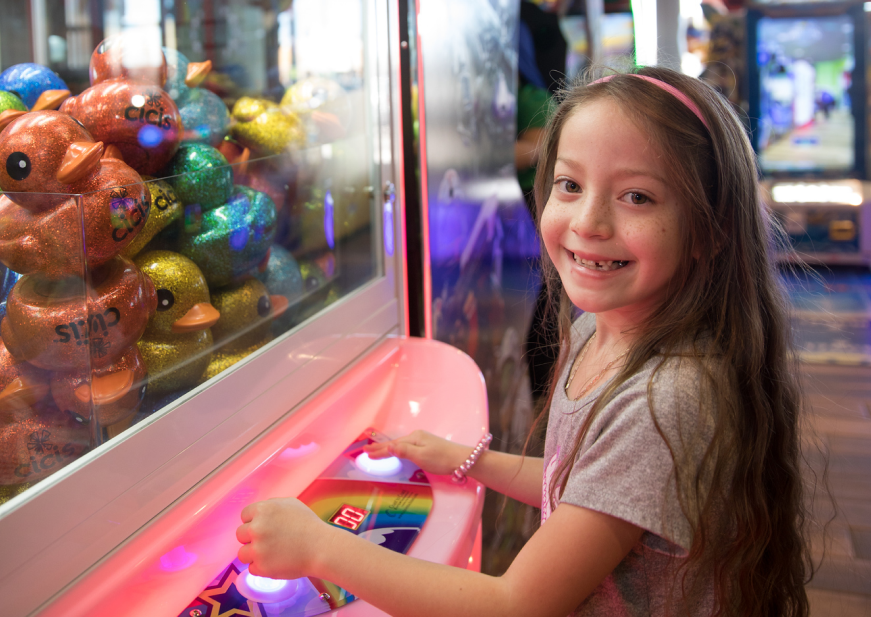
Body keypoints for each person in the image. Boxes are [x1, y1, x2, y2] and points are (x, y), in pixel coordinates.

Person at [235, 66, 812, 616]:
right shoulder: (597, 329)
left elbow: (515, 605)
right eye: (569, 184)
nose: (589, 222)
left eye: (637, 196)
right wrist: (472, 462)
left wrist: (319, 549)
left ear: (709, 231)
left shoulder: (666, 399)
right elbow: (586, 486)